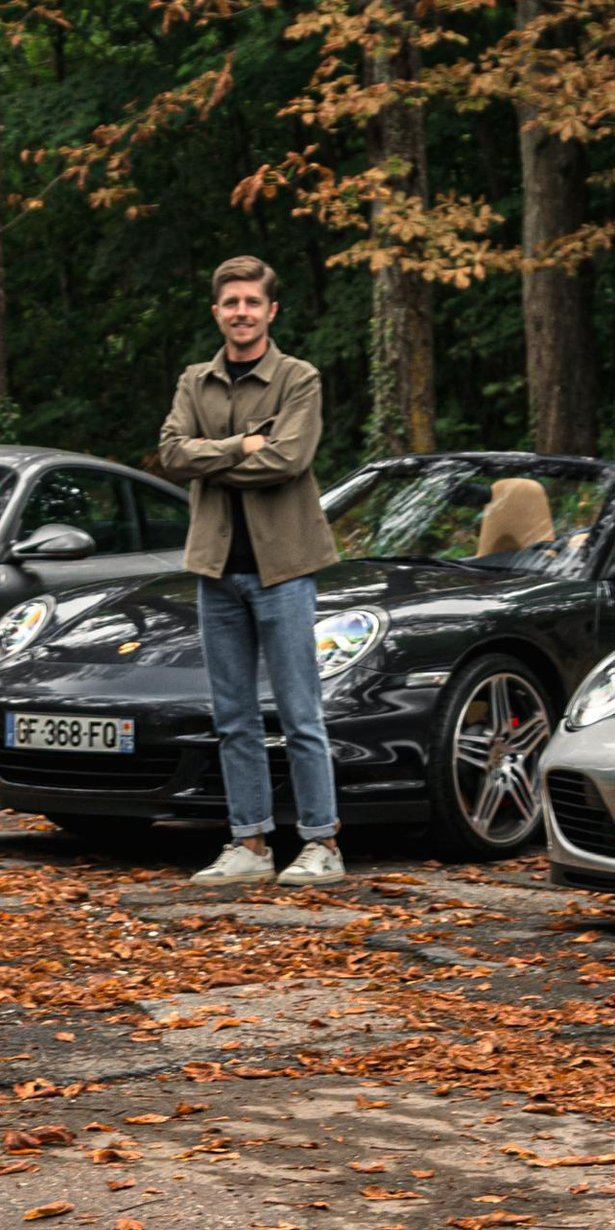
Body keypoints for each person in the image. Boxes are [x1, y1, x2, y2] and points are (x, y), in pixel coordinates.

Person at [157, 254, 345, 886]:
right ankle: (250, 845)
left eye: (251, 303)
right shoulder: (194, 380)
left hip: (284, 567)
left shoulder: (299, 377)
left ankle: (322, 843)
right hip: (216, 568)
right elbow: (170, 454)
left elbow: (289, 460)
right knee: (233, 716)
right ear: (218, 312)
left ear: (271, 311)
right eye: (230, 303)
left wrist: (209, 457)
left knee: (300, 713)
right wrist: (241, 444)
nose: (241, 312)